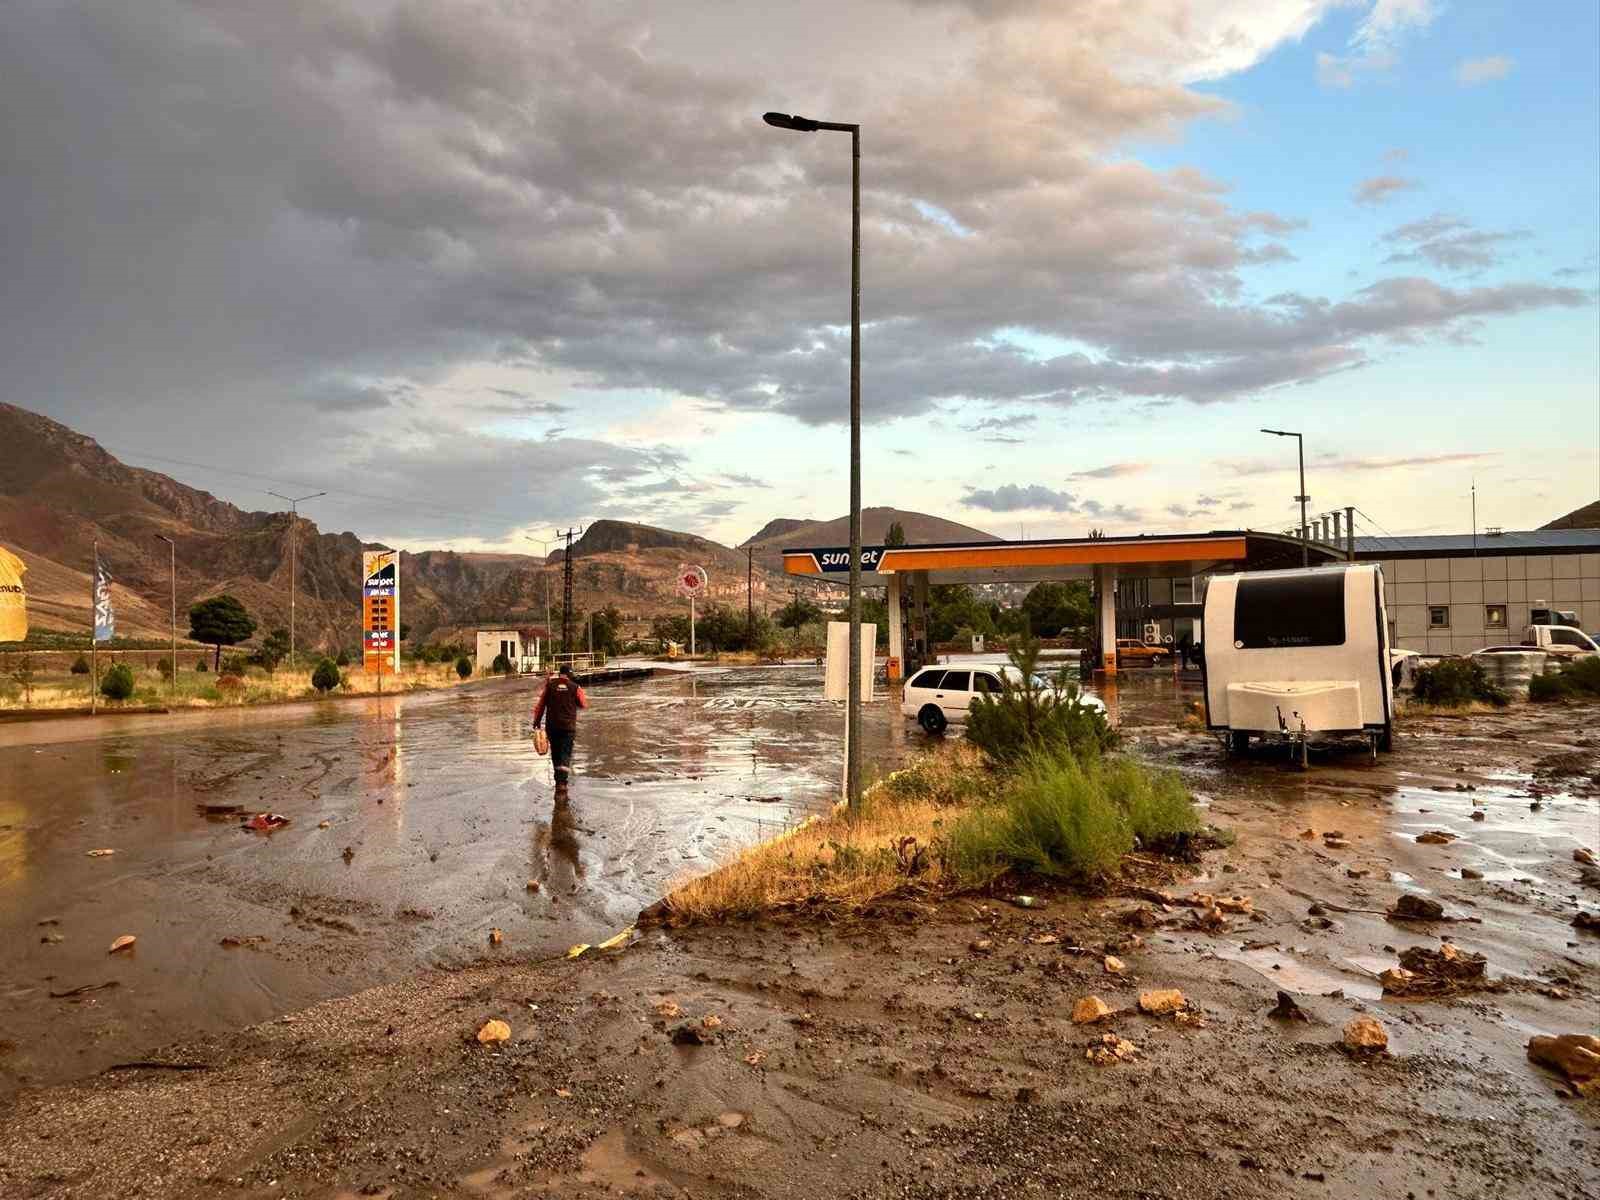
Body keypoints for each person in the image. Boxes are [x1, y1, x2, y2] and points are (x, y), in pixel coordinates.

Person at [532, 665, 588, 797]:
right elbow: (584, 704)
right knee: (565, 754)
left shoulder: (550, 686)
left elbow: (540, 706)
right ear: (569, 675)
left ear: (560, 674)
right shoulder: (575, 687)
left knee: (556, 753)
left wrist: (537, 722)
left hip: (552, 727)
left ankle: (558, 782)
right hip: (568, 727)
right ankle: (563, 783)